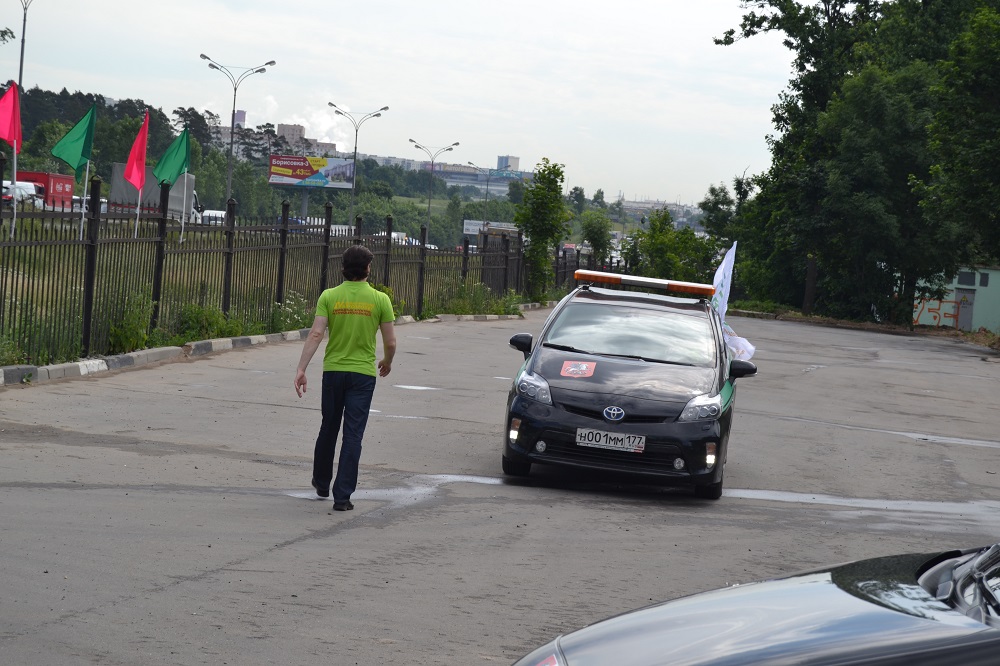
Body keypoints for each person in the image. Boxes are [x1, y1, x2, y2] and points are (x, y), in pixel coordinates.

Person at [294, 245, 396, 511]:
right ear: (367, 269)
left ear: (343, 268)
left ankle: (321, 481)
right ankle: (343, 497)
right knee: (353, 434)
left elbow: (316, 334)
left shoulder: (329, 296)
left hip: (334, 371)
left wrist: (301, 369)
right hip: (362, 375)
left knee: (329, 426)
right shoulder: (380, 300)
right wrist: (386, 361)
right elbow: (391, 342)